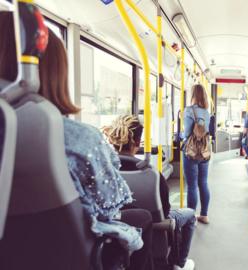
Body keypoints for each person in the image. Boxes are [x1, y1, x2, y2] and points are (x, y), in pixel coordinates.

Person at [0, 15, 153, 270]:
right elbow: (110, 208)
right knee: (141, 217)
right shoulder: (81, 140)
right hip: (66, 254)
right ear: (54, 74)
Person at [103, 115, 196, 270]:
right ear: (138, 143)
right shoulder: (151, 174)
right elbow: (164, 211)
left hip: (115, 224)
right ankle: (177, 263)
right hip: (154, 225)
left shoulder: (103, 171)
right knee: (190, 214)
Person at [182, 84, 213, 224]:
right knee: (203, 182)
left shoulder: (189, 111)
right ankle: (204, 215)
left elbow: (187, 133)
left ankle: (191, 218)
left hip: (192, 151)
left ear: (192, 95)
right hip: (205, 151)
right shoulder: (207, 112)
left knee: (192, 185)